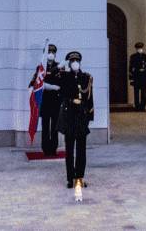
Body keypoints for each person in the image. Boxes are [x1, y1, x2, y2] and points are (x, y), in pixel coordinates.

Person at [57, 51, 94, 188]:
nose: (75, 63)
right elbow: (55, 81)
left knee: (81, 151)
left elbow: (90, 99)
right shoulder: (65, 77)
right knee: (69, 151)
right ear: (69, 63)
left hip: (81, 119)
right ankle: (70, 178)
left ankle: (79, 177)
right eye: (72, 61)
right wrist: (60, 66)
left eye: (76, 61)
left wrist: (89, 117)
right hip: (69, 118)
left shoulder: (86, 78)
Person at [28, 43, 63, 156]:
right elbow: (35, 82)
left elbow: (62, 83)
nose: (51, 54)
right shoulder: (41, 68)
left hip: (56, 101)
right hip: (45, 101)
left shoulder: (60, 67)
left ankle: (53, 148)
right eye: (49, 52)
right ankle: (45, 148)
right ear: (45, 54)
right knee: (45, 125)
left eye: (53, 52)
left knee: (55, 127)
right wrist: (49, 86)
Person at [128, 42, 146, 111]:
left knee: (143, 92)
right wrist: (131, 78)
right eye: (138, 48)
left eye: (140, 48)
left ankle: (143, 107)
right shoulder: (133, 56)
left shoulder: (145, 56)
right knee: (136, 92)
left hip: (143, 76)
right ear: (136, 48)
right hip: (136, 76)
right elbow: (130, 67)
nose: (139, 49)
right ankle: (137, 107)